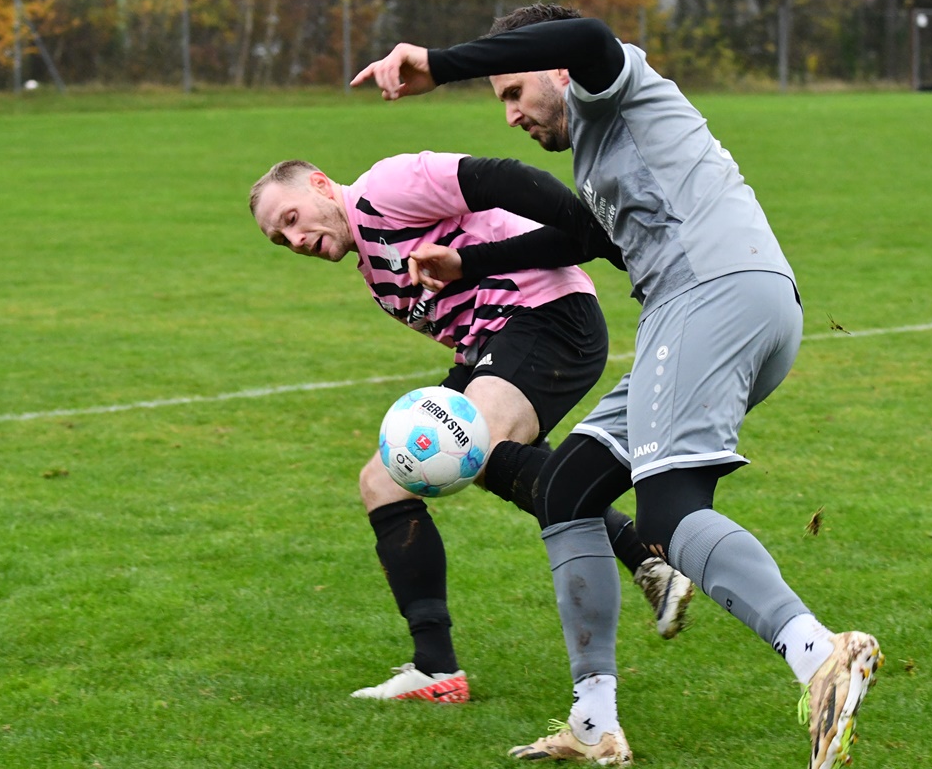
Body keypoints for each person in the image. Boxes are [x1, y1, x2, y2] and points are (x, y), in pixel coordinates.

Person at [353, 4, 883, 768]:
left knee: (670, 512)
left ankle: (820, 654)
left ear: (557, 73)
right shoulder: (600, 150)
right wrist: (470, 264)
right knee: (570, 488)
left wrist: (441, 62)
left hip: (709, 293)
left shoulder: (607, 83)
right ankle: (594, 721)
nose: (509, 116)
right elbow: (587, 239)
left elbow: (588, 35)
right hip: (730, 302)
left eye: (512, 93)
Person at [248, 151, 694, 704]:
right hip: (495, 344)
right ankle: (436, 669)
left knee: (470, 446)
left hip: (546, 315)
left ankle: (649, 551)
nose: (293, 241)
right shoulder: (372, 266)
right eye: (278, 240)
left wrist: (588, 229)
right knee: (385, 480)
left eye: (291, 219)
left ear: (319, 184)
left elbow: (498, 176)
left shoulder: (382, 190)